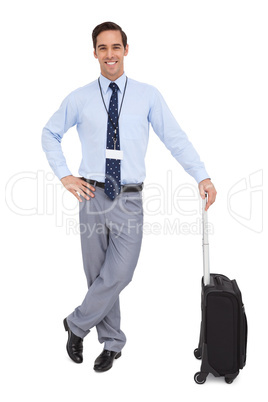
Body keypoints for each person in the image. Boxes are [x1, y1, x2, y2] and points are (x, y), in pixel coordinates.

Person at [42, 21, 217, 373]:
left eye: (116, 47)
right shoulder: (79, 98)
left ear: (126, 50)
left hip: (129, 198)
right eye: (103, 48)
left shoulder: (147, 95)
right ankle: (112, 343)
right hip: (91, 195)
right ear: (94, 53)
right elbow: (50, 133)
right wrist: (64, 175)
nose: (110, 54)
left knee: (120, 272)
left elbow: (175, 137)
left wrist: (202, 175)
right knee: (98, 275)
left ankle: (76, 324)